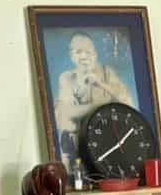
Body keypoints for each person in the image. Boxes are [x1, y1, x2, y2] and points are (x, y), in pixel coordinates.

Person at [53, 32, 136, 167]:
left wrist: (100, 83)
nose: (84, 56)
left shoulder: (107, 73)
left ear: (95, 54)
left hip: (108, 143)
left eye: (88, 52)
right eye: (78, 52)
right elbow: (68, 114)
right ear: (71, 55)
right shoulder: (67, 78)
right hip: (76, 146)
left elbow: (128, 104)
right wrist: (102, 104)